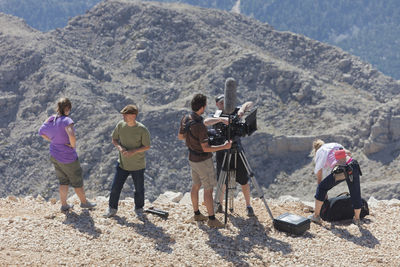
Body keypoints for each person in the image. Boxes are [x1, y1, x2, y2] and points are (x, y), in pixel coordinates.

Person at [178, 93, 232, 228]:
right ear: (202, 107)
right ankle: (212, 219)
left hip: (192, 158)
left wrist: (192, 140)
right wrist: (224, 146)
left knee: (196, 185)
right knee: (208, 189)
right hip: (203, 161)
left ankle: (197, 213)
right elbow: (206, 148)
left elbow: (180, 136)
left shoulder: (186, 118)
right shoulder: (200, 125)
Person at [38, 97, 96, 213]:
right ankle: (84, 203)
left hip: (54, 154)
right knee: (76, 180)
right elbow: (72, 135)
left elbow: (41, 132)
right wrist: (72, 145)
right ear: (67, 108)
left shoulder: (51, 119)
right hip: (67, 157)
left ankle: (64, 205)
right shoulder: (67, 120)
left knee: (63, 180)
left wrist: (53, 140)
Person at [204, 95, 255, 217]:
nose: (223, 104)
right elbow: (206, 122)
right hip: (222, 150)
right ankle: (220, 204)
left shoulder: (235, 111)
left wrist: (242, 110)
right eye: (221, 103)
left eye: (225, 102)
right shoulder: (216, 115)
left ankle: (248, 205)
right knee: (222, 180)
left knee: (244, 180)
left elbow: (250, 103)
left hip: (237, 149)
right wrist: (221, 120)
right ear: (217, 104)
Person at [103, 104, 151, 218]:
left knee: (139, 189)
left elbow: (147, 146)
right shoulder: (120, 125)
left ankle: (139, 209)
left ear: (133, 116)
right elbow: (114, 139)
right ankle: (112, 209)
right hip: (122, 164)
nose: (123, 116)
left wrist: (133, 151)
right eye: (123, 114)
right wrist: (120, 148)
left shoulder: (142, 129)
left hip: (138, 165)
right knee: (115, 187)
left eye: (126, 114)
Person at [308, 139, 363, 224]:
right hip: (353, 165)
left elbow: (319, 175)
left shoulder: (320, 151)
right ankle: (357, 219)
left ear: (315, 149)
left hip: (343, 170)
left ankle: (316, 216)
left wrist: (323, 193)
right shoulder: (334, 145)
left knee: (322, 187)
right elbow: (348, 153)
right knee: (355, 192)